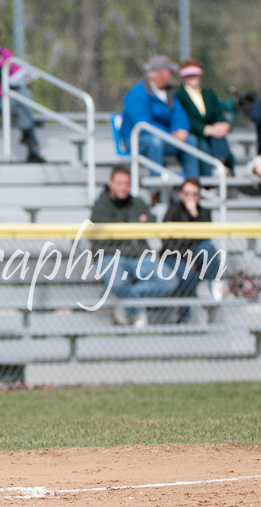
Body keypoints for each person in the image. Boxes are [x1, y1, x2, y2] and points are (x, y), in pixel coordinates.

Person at [90, 165, 179, 327]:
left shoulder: (137, 202)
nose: (123, 187)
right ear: (111, 183)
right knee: (117, 283)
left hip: (139, 256)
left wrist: (124, 227)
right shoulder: (100, 206)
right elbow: (102, 243)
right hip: (111, 256)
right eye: (119, 183)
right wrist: (136, 225)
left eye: (127, 183)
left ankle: (125, 299)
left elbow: (151, 223)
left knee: (169, 281)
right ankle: (136, 312)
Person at [0, 21, 45, 163]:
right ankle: (29, 138)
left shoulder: (3, 53)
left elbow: (15, 71)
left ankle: (31, 144)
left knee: (24, 95)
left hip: (6, 96)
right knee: (23, 102)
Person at [120, 55, 199, 177]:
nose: (172, 74)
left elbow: (179, 115)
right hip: (137, 139)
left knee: (190, 140)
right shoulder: (137, 93)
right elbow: (144, 125)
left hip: (166, 136)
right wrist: (170, 135)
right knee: (155, 143)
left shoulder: (170, 92)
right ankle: (156, 190)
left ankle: (192, 184)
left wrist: (179, 131)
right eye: (169, 71)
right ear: (160, 73)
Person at [161, 177, 225, 322]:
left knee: (208, 248)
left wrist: (194, 215)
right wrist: (187, 258)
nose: (190, 197)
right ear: (181, 194)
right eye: (187, 193)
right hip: (174, 256)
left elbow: (205, 238)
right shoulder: (173, 210)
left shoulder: (203, 212)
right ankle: (184, 315)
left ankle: (214, 284)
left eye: (194, 194)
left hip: (196, 256)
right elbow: (167, 243)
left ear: (199, 196)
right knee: (186, 274)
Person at [175, 58, 234, 176]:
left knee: (219, 137)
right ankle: (208, 183)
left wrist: (223, 124)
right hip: (194, 133)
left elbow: (217, 113)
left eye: (195, 75)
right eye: (189, 75)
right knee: (202, 147)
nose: (193, 78)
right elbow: (184, 118)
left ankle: (222, 168)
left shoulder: (208, 94)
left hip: (213, 134)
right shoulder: (179, 95)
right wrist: (206, 130)